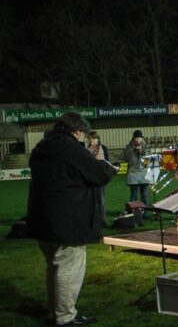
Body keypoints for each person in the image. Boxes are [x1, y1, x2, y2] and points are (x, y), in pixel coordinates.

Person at [27, 112, 118, 326]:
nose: (83, 138)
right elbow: (99, 175)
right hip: (67, 222)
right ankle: (65, 316)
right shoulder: (70, 149)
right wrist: (101, 161)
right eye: (82, 134)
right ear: (76, 131)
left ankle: (55, 312)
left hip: (42, 219)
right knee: (68, 268)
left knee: (53, 267)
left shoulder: (42, 147)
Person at [86, 131, 110, 226]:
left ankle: (103, 220)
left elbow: (107, 163)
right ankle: (93, 221)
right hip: (91, 178)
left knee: (101, 200)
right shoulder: (86, 150)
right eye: (89, 139)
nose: (91, 141)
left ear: (97, 139)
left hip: (101, 178)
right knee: (92, 201)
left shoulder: (103, 148)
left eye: (93, 138)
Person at [123, 130, 150, 205]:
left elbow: (147, 160)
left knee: (144, 193)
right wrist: (134, 151)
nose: (138, 139)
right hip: (133, 172)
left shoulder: (146, 146)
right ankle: (133, 212)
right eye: (136, 138)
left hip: (143, 172)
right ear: (133, 138)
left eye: (139, 138)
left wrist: (141, 152)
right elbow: (127, 159)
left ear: (142, 138)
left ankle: (145, 211)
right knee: (134, 194)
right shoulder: (129, 147)